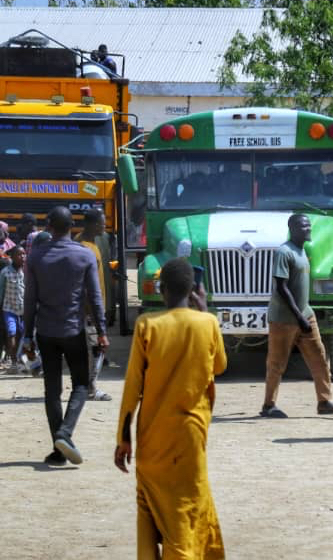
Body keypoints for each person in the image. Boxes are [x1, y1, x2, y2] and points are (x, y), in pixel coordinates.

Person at [114, 258, 226, 558]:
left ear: (161, 290)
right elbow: (220, 366)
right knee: (186, 510)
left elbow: (132, 388)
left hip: (152, 438)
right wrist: (204, 313)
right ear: (194, 290)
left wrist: (123, 439)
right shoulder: (209, 323)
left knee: (151, 509)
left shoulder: (147, 325)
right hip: (190, 437)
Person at [22, 206, 108, 465]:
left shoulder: (36, 256)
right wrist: (102, 331)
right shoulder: (84, 256)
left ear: (49, 226)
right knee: (81, 384)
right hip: (74, 330)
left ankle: (59, 449)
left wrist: (27, 335)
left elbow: (30, 300)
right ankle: (65, 432)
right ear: (72, 226)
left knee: (52, 389)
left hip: (46, 332)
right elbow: (94, 297)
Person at [260, 214, 333, 418]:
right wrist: (298, 317)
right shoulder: (284, 252)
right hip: (283, 319)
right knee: (276, 363)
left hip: (305, 315)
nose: (308, 229)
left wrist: (304, 315)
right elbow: (281, 287)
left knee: (319, 357)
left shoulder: (302, 251)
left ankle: (324, 401)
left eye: (308, 225)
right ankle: (268, 405)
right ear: (292, 229)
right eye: (303, 226)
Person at [76, 209, 112, 400]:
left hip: (96, 307)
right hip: (87, 309)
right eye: (101, 223)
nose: (104, 226)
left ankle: (89, 386)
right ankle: (90, 388)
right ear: (91, 224)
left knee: (95, 349)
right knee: (95, 348)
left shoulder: (94, 243)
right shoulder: (83, 246)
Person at [0, 245, 26, 372]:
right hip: (9, 309)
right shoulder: (5, 272)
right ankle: (13, 363)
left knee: (23, 335)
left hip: (24, 310)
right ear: (12, 257)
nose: (22, 256)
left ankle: (23, 360)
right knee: (11, 333)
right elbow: (0, 291)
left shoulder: (27, 271)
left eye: (24, 254)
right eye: (19, 254)